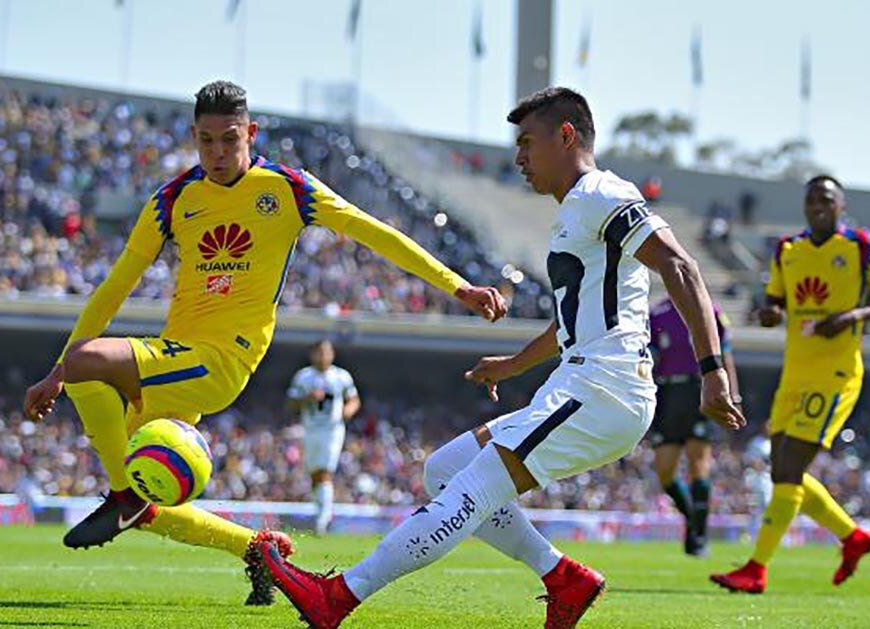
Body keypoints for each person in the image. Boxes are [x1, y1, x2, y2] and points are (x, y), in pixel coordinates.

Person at [257, 86, 744, 629]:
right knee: (443, 470)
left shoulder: (600, 194)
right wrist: (513, 365)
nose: (518, 158)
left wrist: (712, 371)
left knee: (471, 490)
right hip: (585, 384)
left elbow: (681, 269)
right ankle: (562, 578)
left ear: (566, 136)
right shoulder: (576, 213)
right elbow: (570, 321)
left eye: (527, 143)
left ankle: (339, 597)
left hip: (604, 391)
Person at [22, 81, 506, 606]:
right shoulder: (172, 200)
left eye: (229, 140)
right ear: (193, 138)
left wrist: (458, 285)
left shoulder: (288, 190)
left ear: (251, 132)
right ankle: (258, 548)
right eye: (206, 141)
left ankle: (120, 497)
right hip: (172, 358)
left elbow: (374, 232)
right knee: (153, 484)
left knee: (89, 363)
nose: (217, 153)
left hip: (222, 361)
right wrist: (56, 373)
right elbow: (115, 286)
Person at [711, 175, 870, 594]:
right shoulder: (788, 249)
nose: (818, 204)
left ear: (841, 206)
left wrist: (852, 317)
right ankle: (852, 536)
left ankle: (756, 568)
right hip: (794, 372)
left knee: (788, 468)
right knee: (783, 468)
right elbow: (776, 301)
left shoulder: (863, 246)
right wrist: (770, 313)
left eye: (826, 199)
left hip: (836, 374)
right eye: (812, 199)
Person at [647, 296, 741, 556]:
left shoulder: (710, 309)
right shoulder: (657, 312)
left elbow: (726, 354)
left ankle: (698, 538)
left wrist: (733, 395)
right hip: (667, 392)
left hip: (698, 388)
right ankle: (693, 521)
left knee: (699, 463)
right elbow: (650, 357)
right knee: (664, 470)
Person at [287, 340, 360, 535]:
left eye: (326, 352)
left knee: (325, 471)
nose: (322, 356)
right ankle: (319, 512)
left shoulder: (341, 376)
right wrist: (307, 398)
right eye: (319, 353)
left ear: (332, 354)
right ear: (313, 355)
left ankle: (323, 519)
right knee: (315, 474)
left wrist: (348, 410)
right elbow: (291, 403)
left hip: (332, 429)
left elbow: (353, 399)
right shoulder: (304, 376)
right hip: (310, 429)